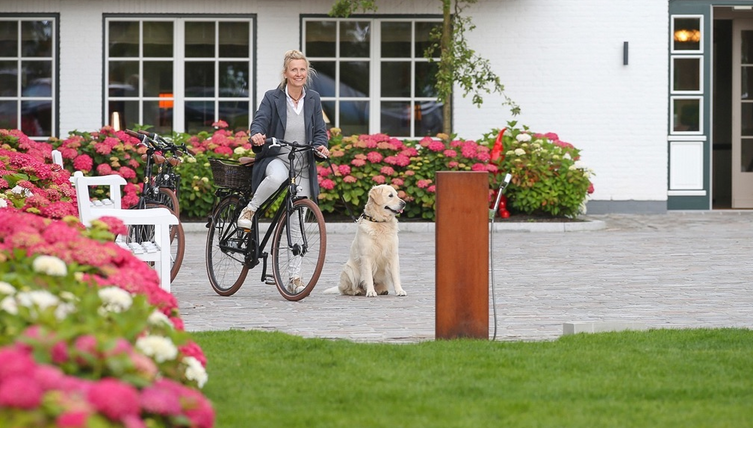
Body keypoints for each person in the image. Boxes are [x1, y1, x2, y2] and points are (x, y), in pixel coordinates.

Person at [238, 49, 330, 292]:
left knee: (297, 221)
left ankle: (294, 277)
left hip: (302, 163)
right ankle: (251, 209)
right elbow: (260, 121)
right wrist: (257, 135)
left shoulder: (313, 99)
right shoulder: (272, 97)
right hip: (277, 157)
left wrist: (321, 146)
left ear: (306, 73)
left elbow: (320, 130)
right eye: (294, 70)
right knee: (277, 177)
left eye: (302, 70)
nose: (298, 74)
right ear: (286, 73)